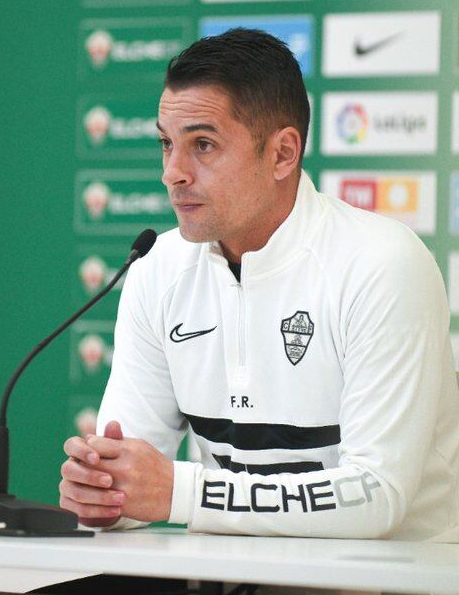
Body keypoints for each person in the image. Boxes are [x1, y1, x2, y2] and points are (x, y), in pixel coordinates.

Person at [59, 28, 459, 540]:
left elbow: (377, 495)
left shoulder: (382, 265)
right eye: (166, 143)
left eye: (203, 145)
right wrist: (106, 493)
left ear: (282, 154)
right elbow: (136, 480)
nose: (173, 174)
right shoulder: (157, 268)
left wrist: (180, 493)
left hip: (395, 589)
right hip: (233, 581)